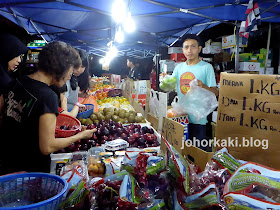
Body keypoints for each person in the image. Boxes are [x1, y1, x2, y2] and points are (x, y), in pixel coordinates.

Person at [0, 41, 96, 175]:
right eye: (70, 70)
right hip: (30, 171)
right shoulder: (48, 97)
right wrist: (80, 136)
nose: (70, 75)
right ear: (60, 67)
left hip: (6, 163)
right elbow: (47, 146)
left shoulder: (16, 82)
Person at [171, 34, 218, 150]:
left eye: (193, 46)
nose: (189, 50)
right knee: (181, 153)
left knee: (197, 155)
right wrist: (164, 80)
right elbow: (170, 87)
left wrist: (204, 86)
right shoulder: (178, 68)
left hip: (199, 120)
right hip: (181, 118)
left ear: (199, 49)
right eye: (186, 47)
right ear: (182, 50)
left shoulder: (207, 67)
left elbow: (215, 92)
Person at [0, 34, 29, 125]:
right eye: (16, 55)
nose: (19, 60)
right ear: (6, 52)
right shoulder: (3, 82)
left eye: (20, 57)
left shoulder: (5, 76)